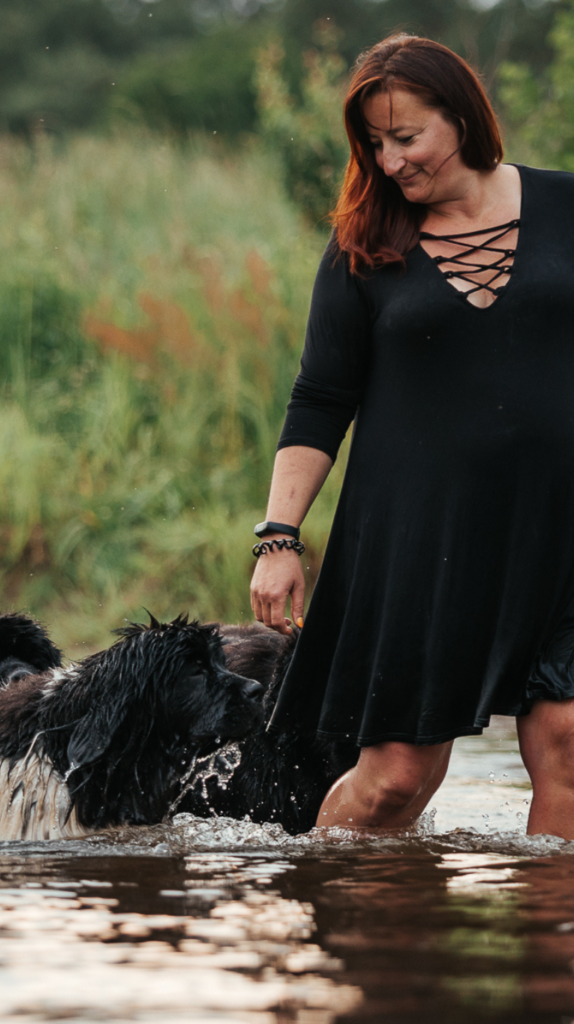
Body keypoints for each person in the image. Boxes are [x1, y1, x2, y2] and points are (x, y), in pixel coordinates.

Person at [250, 33, 574, 840]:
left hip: (561, 527)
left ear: (461, 117)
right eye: (374, 143)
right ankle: (324, 895)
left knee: (568, 744)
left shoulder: (567, 207)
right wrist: (280, 536)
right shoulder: (363, 244)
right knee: (394, 780)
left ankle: (549, 925)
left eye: (406, 136)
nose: (390, 161)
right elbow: (320, 398)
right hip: (420, 539)